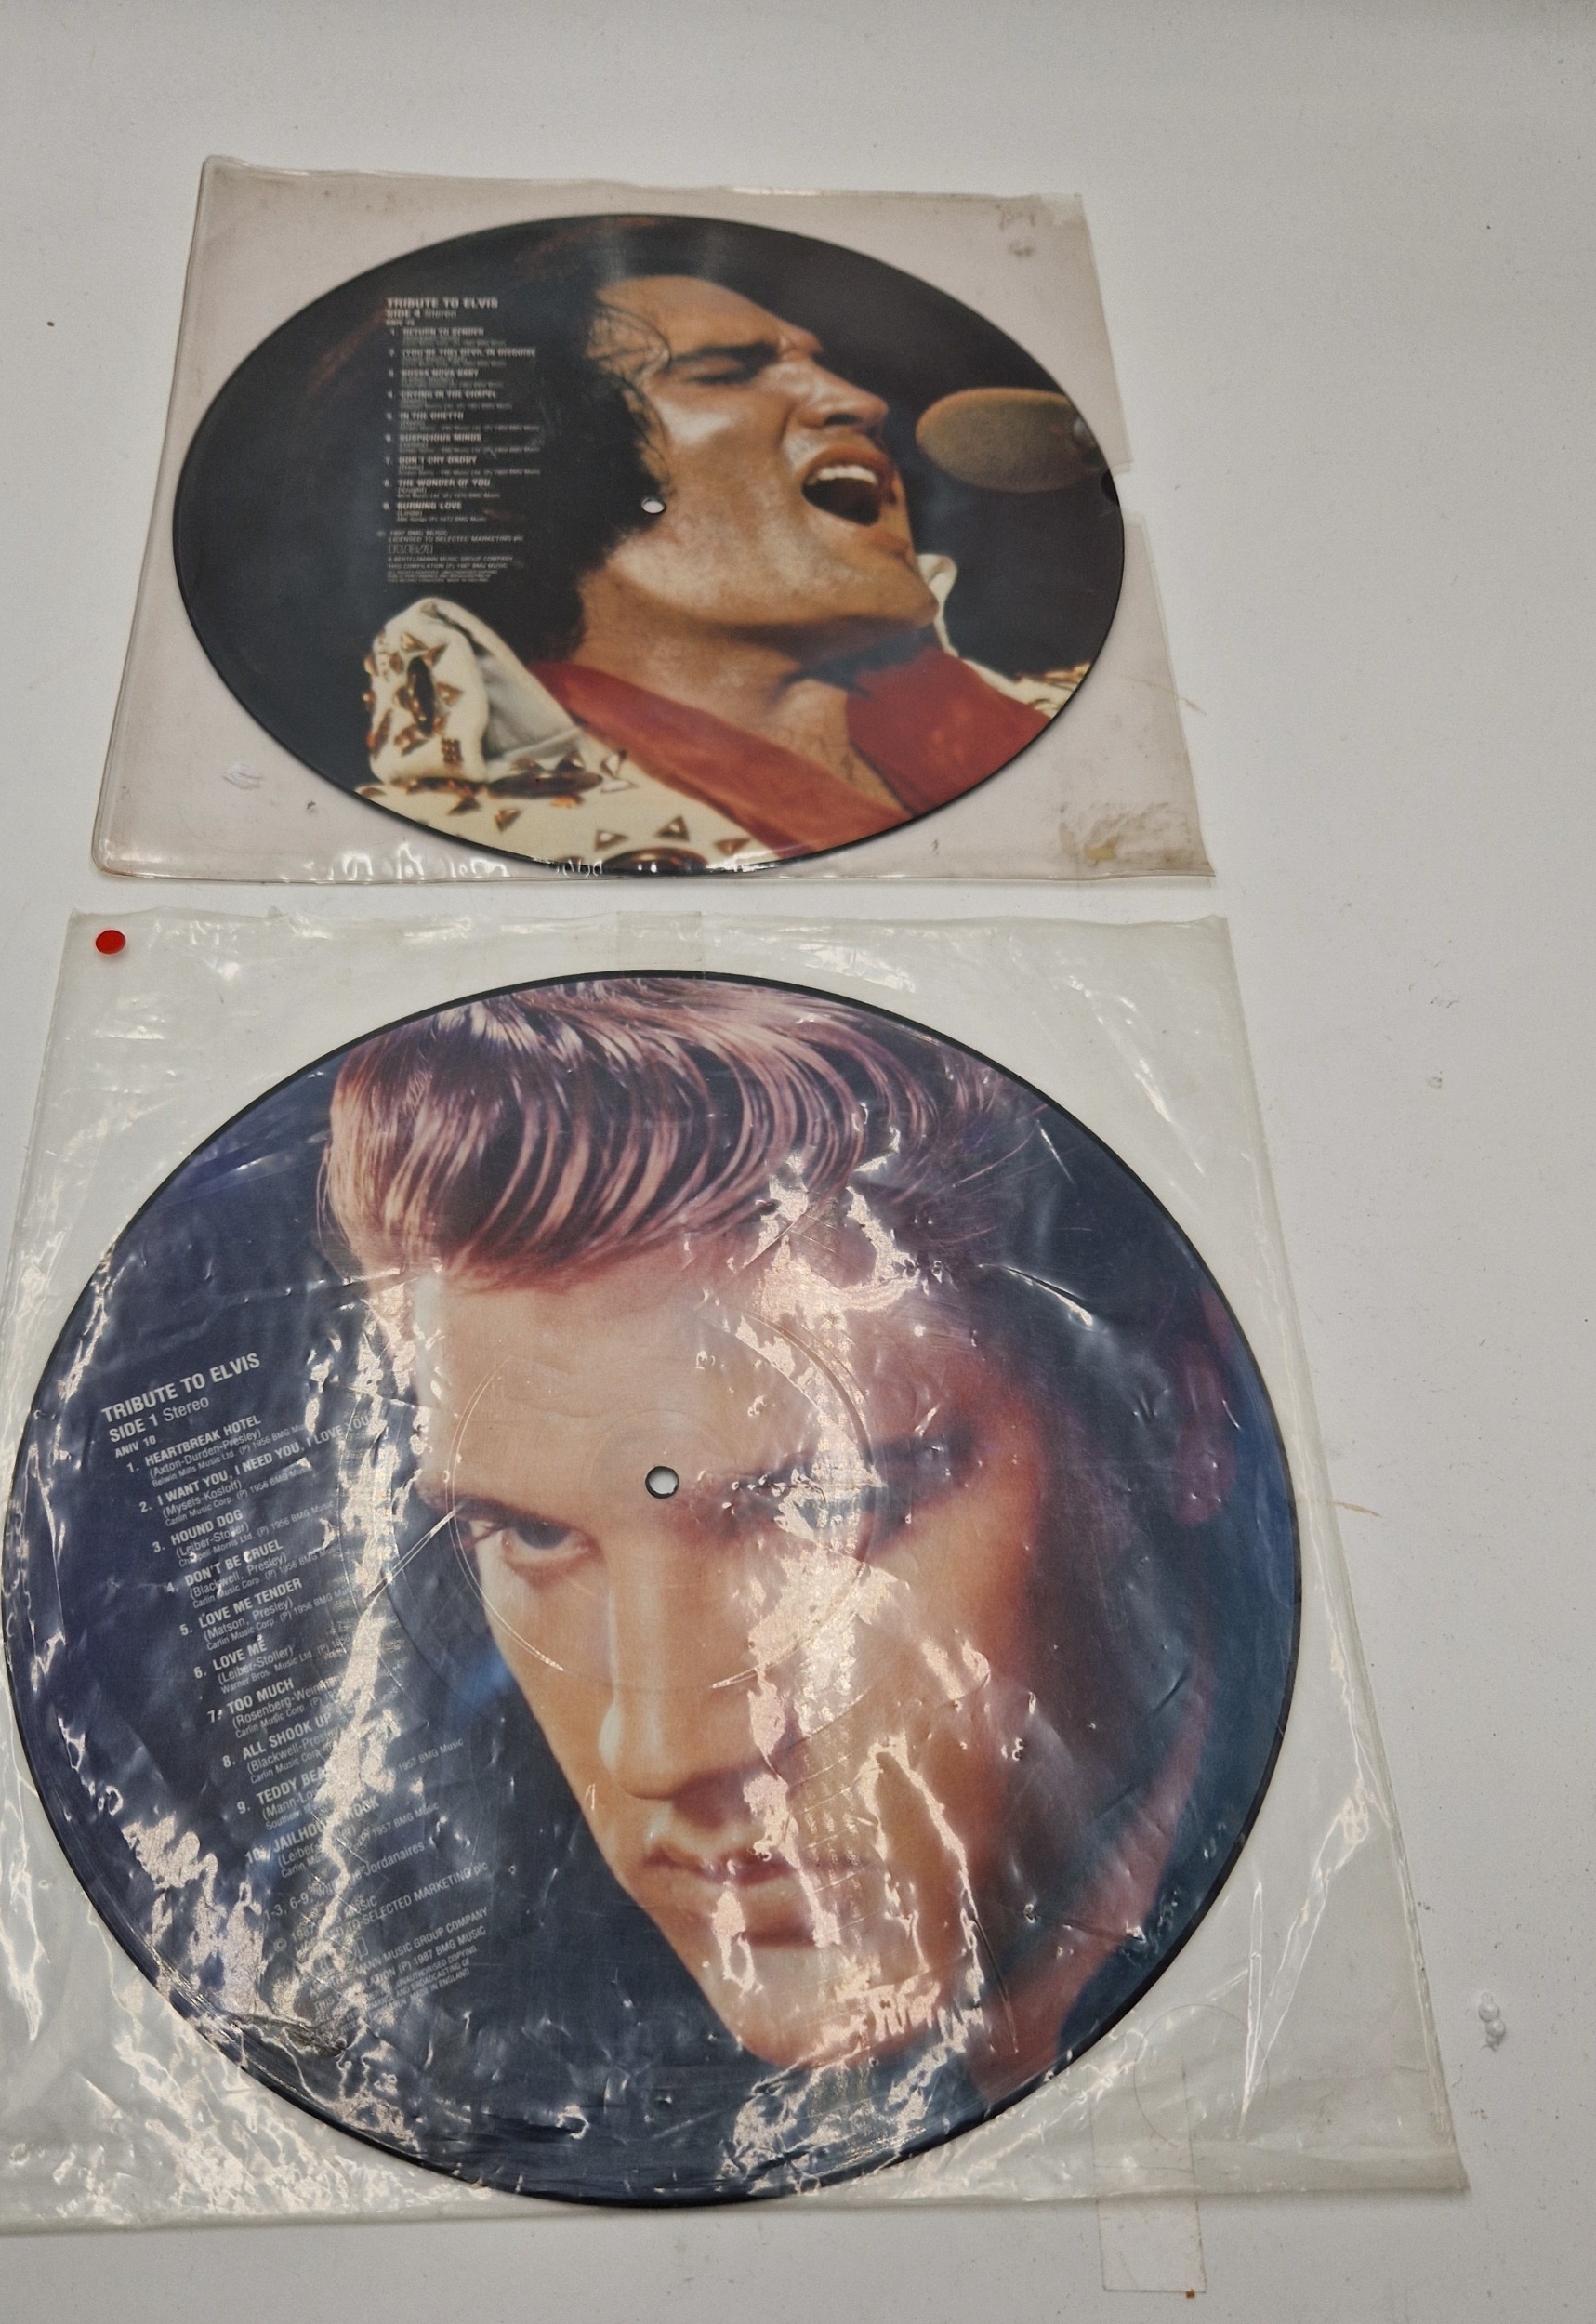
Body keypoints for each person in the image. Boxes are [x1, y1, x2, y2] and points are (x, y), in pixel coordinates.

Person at [278, 977, 1272, 2158]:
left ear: (1177, 1414)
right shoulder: (458, 2010)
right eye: (532, 1533)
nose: (661, 1753)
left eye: (827, 1503)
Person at [360, 265, 1071, 869]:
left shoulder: (1075, 728)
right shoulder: (440, 845)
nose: (862, 403)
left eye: (820, 365)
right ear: (552, 482)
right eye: (728, 373)